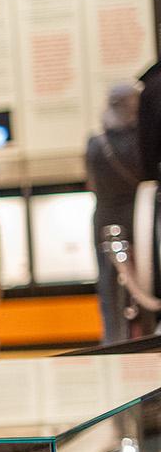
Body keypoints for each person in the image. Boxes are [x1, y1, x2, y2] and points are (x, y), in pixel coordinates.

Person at [87, 83, 146, 344]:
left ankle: (113, 343)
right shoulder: (141, 142)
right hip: (139, 222)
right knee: (144, 286)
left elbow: (91, 183)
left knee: (109, 291)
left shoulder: (96, 143)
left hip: (104, 222)